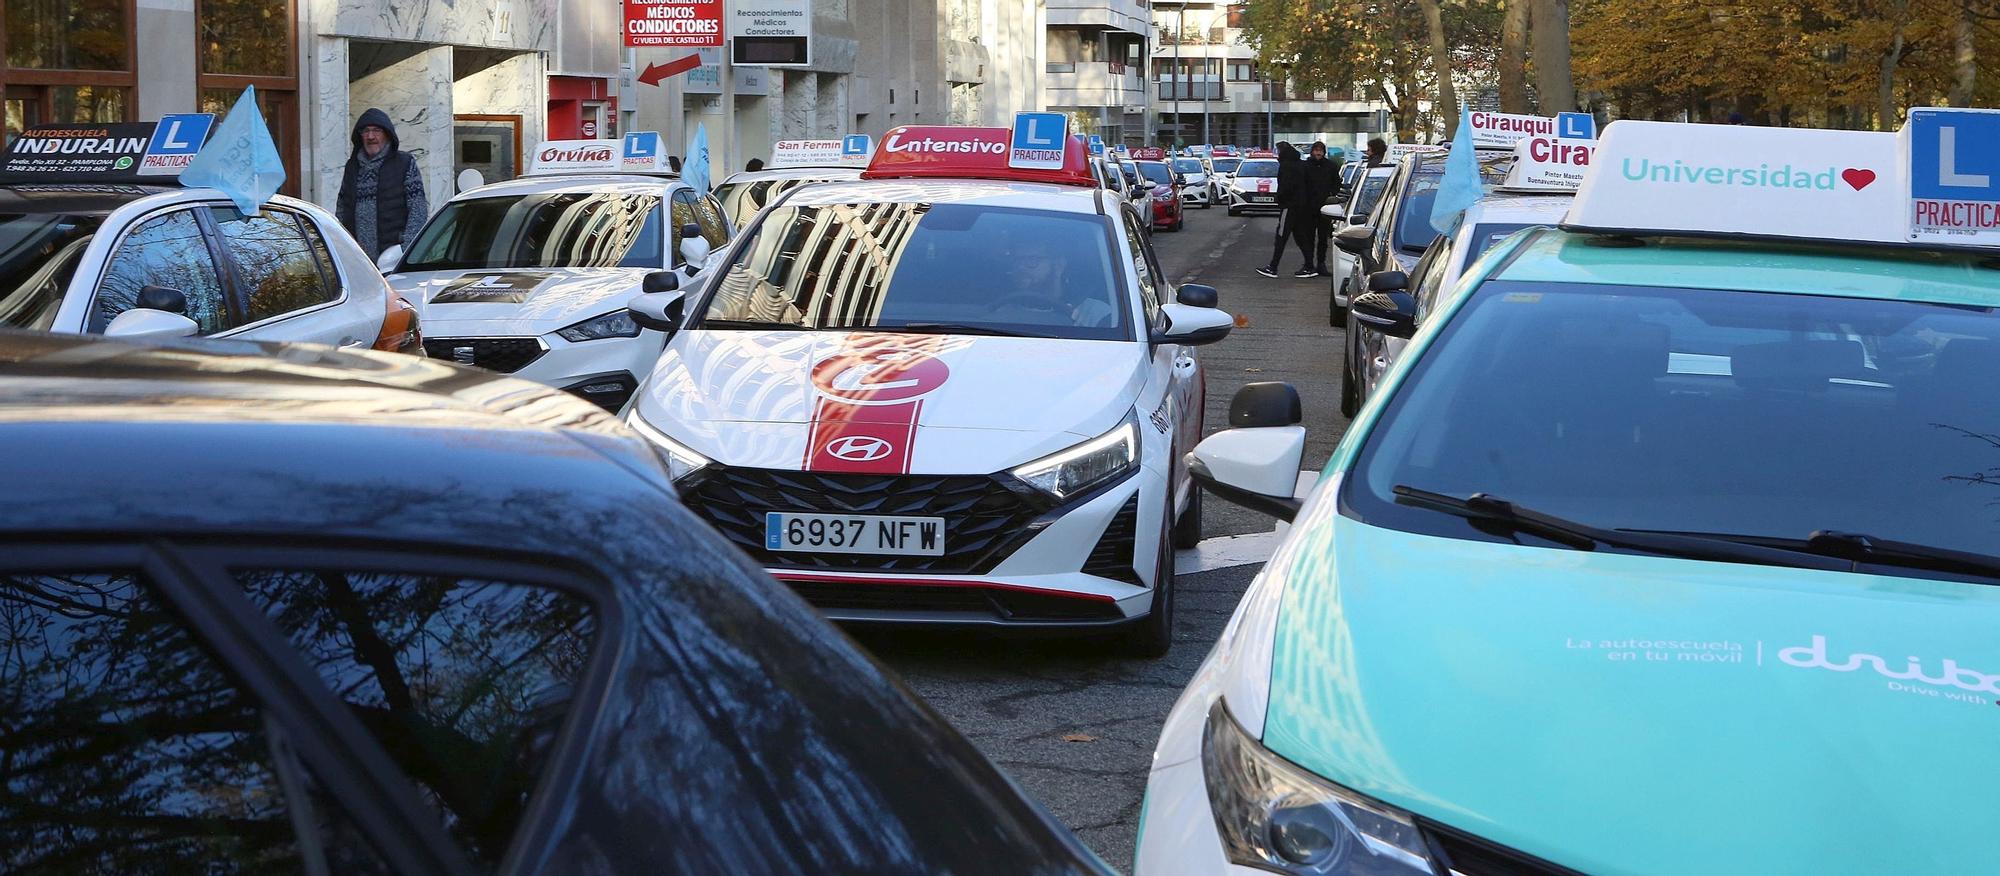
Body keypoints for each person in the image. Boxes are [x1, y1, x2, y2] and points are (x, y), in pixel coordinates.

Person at [336, 108, 427, 261]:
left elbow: (418, 210)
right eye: (365, 131)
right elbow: (341, 209)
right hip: (359, 260)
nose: (371, 136)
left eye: (376, 130)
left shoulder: (404, 163)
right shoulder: (352, 167)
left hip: (394, 259)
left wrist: (405, 250)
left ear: (387, 133)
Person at [1257, 142, 1312, 279]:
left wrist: (1280, 199)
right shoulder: (1301, 164)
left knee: (1281, 237)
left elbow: (1285, 186)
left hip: (1289, 206)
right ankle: (1310, 266)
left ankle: (1273, 267)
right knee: (1300, 237)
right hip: (1301, 206)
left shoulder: (1286, 166)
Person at [1297, 141, 1342, 277]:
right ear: (1312, 152)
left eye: (1321, 151)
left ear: (1324, 152)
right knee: (1308, 237)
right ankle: (1309, 264)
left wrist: (1331, 194)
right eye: (1316, 150)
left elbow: (1337, 183)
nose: (1318, 153)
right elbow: (1300, 185)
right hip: (1308, 208)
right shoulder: (1305, 166)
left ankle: (1321, 264)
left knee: (1323, 238)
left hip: (1325, 208)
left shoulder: (1331, 166)